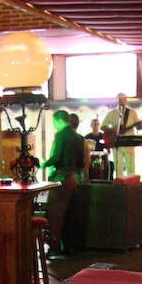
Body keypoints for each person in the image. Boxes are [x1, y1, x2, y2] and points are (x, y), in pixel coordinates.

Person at [41, 109, 86, 254]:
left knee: (55, 215)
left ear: (59, 121)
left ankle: (54, 246)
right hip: (72, 180)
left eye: (55, 123)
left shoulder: (61, 135)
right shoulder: (79, 138)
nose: (55, 126)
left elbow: (56, 157)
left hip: (60, 180)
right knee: (70, 215)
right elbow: (81, 163)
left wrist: (43, 164)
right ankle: (69, 246)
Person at [101, 93, 142, 177]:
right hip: (117, 143)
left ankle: (131, 183)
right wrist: (112, 130)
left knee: (131, 168)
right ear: (116, 101)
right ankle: (119, 182)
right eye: (120, 99)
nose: (122, 101)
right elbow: (102, 127)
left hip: (129, 144)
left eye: (124, 99)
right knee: (118, 168)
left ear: (126, 100)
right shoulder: (112, 113)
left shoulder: (132, 113)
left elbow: (138, 127)